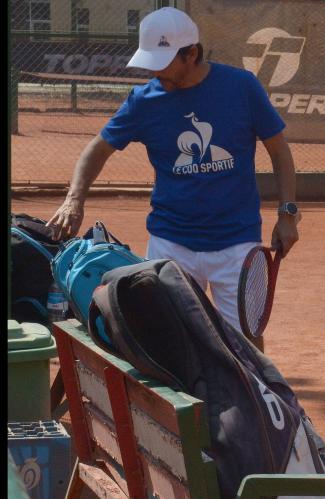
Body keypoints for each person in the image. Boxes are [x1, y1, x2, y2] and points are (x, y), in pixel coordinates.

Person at [46, 7, 300, 333]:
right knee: (170, 338)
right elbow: (96, 149)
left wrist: (287, 213)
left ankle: (253, 386)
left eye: (161, 64)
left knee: (245, 340)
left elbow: (279, 151)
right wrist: (74, 198)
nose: (154, 74)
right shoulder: (144, 101)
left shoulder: (241, 87)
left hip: (237, 242)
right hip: (171, 241)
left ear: (191, 54)